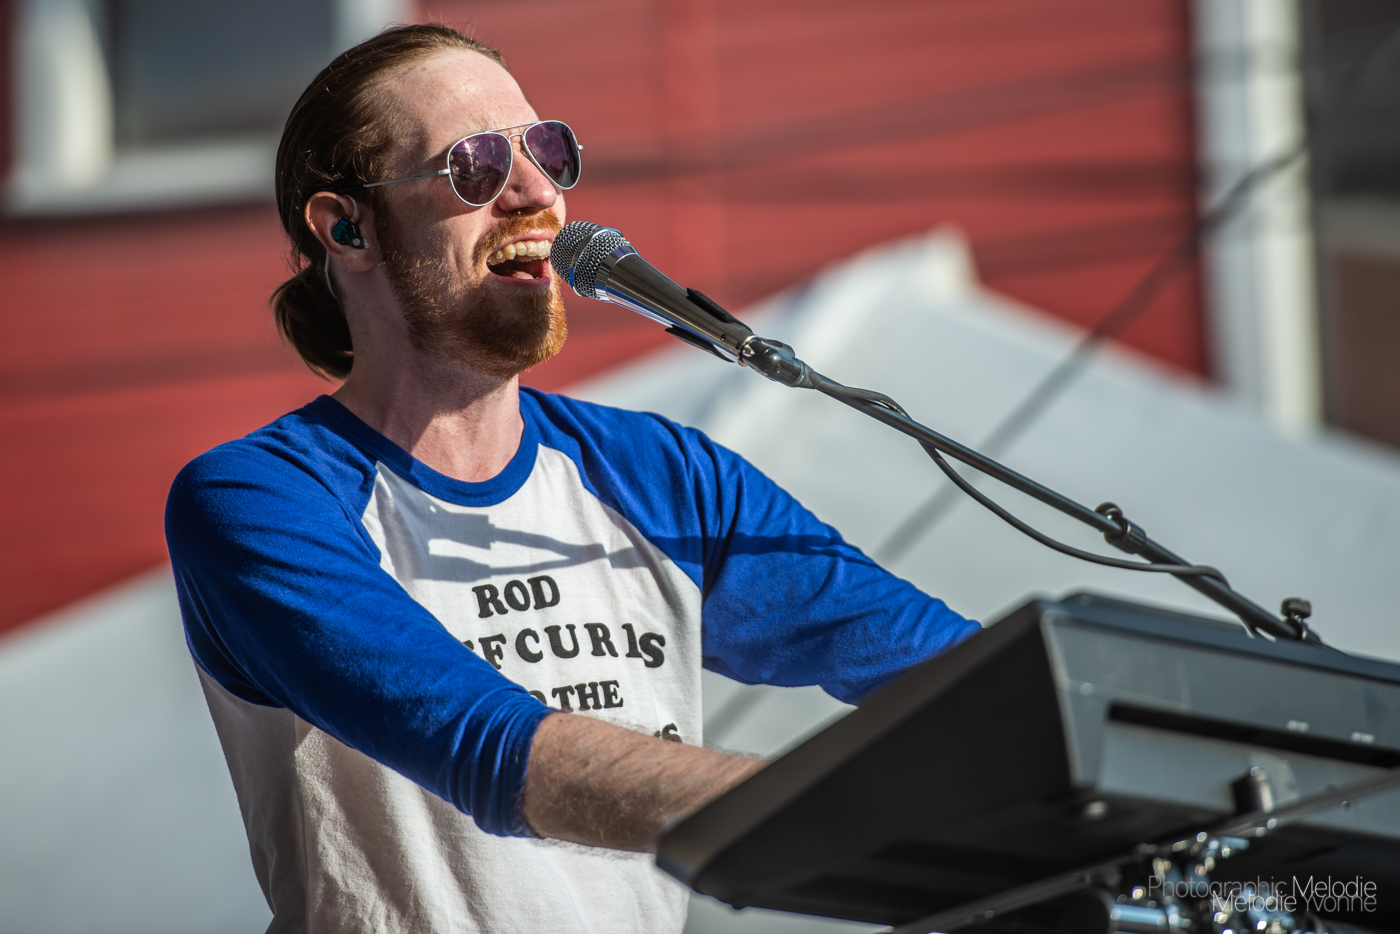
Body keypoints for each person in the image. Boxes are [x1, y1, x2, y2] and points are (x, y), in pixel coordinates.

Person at [165, 23, 979, 934]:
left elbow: (963, 682)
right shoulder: (261, 500)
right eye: (476, 165)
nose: (539, 193)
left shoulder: (663, 474)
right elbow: (490, 750)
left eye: (548, 151)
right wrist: (858, 816)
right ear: (347, 228)